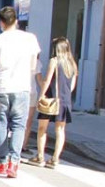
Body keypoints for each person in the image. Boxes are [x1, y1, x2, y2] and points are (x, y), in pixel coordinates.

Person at [0, 6, 40, 178]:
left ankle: (1, 161)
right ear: (16, 20)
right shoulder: (30, 39)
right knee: (18, 125)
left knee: (1, 123)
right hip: (22, 86)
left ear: (1, 22)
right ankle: (14, 163)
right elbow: (33, 64)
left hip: (2, 87)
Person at [27, 37, 78, 169]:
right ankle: (55, 159)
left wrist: (41, 95)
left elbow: (48, 81)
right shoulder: (72, 63)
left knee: (42, 128)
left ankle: (40, 156)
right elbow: (72, 86)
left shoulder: (54, 61)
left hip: (51, 99)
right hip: (65, 100)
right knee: (60, 130)